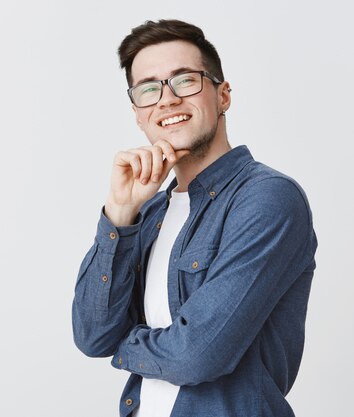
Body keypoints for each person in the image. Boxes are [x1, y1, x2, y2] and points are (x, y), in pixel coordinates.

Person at [71, 19, 317, 417]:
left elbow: (198, 355)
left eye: (185, 81)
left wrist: (124, 343)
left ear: (223, 96)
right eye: (149, 89)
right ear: (138, 112)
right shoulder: (148, 213)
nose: (166, 100)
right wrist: (119, 215)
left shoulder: (266, 198)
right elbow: (92, 335)